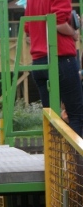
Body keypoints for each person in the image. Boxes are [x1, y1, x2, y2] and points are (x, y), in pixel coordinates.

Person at [25, 1, 83, 137]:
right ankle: (74, 158)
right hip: (61, 57)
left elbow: (28, 30)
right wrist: (74, 33)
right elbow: (58, 23)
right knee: (76, 114)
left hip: (38, 61)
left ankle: (54, 157)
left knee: (51, 116)